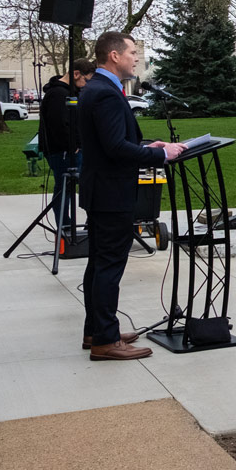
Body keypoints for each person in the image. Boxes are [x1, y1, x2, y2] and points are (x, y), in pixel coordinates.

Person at [78, 32, 184, 361]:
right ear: (114, 55)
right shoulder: (105, 93)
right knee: (108, 266)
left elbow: (111, 142)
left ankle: (97, 330)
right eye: (132, 52)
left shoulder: (96, 88)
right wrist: (161, 155)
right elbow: (114, 149)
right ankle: (105, 341)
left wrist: (146, 146)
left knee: (99, 264)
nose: (136, 58)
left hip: (101, 191)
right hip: (111, 194)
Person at [39, 58, 95, 232]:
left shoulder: (70, 92)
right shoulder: (58, 94)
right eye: (86, 80)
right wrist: (72, 145)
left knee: (71, 187)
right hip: (63, 151)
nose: (86, 85)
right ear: (76, 74)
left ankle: (73, 226)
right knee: (64, 189)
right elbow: (59, 124)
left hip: (71, 149)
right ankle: (65, 227)